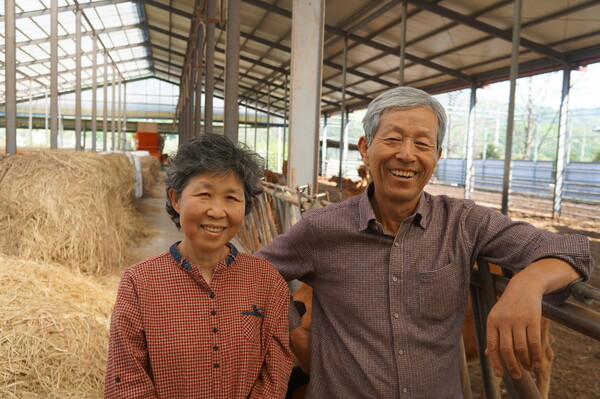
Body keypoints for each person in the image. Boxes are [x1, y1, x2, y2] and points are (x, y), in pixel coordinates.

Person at [256, 87, 595, 398]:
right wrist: (295, 333)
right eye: (393, 139)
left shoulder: (463, 221)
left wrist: (527, 285)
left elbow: (575, 250)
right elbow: (251, 273)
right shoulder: (321, 228)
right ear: (365, 148)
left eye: (422, 144)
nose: (407, 155)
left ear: (437, 155)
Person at [105, 134, 292, 398]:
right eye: (205, 194)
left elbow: (275, 372)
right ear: (176, 199)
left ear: (245, 206)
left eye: (231, 198)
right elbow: (126, 381)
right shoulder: (139, 282)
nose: (217, 211)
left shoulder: (267, 281)